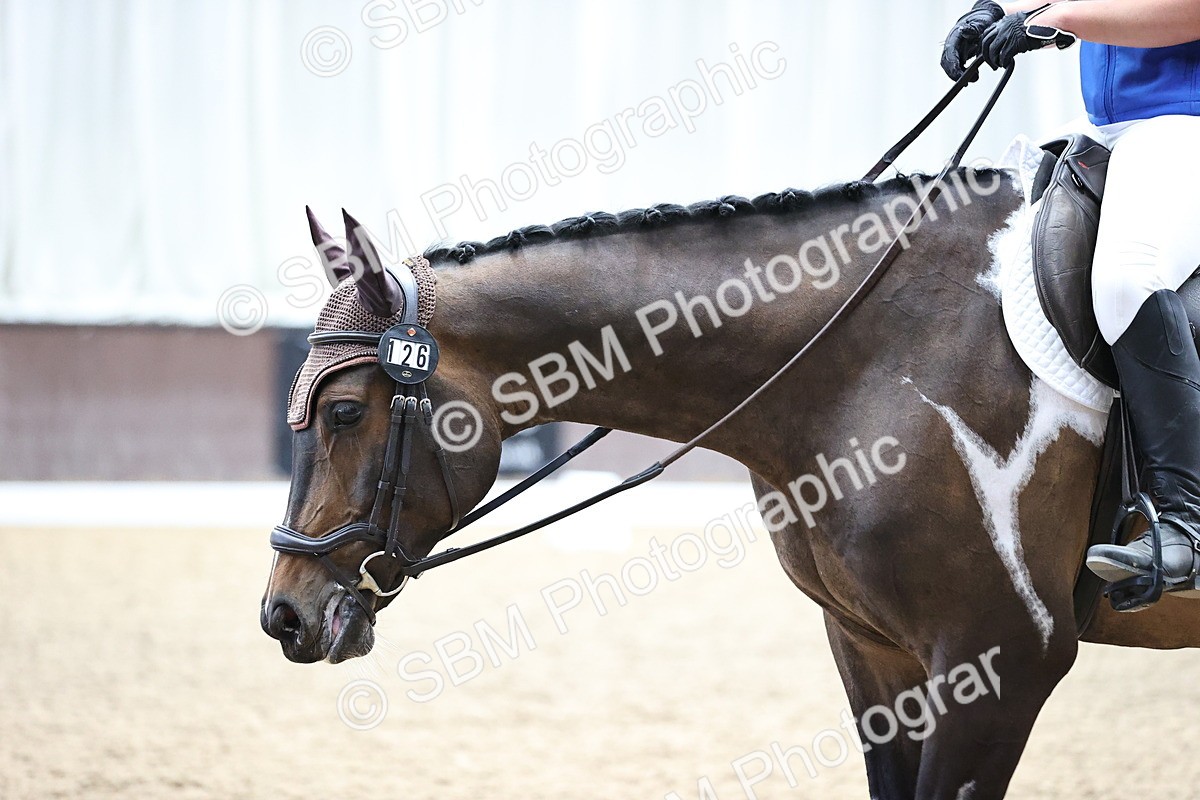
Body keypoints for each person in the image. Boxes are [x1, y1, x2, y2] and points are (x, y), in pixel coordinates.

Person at [941, 0, 1200, 598]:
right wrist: (999, 9)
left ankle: (1189, 523)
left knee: (1125, 274)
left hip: (1187, 121)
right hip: (1110, 129)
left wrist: (1055, 20)